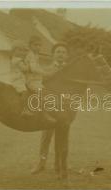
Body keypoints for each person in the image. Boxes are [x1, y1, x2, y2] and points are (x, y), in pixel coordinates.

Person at [31, 42, 69, 174]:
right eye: (58, 52)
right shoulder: (46, 68)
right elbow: (42, 84)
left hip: (64, 109)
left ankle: (58, 164)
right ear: (53, 55)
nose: (60, 54)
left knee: (62, 137)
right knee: (46, 137)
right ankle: (41, 163)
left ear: (67, 56)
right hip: (50, 107)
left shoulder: (69, 70)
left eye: (63, 52)